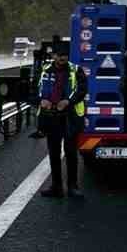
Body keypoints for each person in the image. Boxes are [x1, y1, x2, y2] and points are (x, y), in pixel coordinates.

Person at [38, 39, 88, 198]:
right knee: (53, 152)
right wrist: (41, 100)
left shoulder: (76, 70)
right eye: (59, 55)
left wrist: (68, 101)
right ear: (53, 56)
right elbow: (35, 89)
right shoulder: (45, 70)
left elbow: (82, 90)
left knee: (71, 152)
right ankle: (56, 187)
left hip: (70, 117)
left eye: (65, 55)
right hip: (50, 116)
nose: (62, 58)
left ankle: (72, 187)